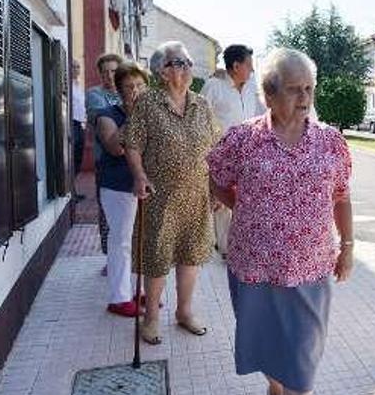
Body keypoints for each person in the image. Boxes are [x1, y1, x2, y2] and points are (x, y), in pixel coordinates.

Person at [207, 48, 353, 395]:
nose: (304, 98)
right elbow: (217, 180)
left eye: (309, 88)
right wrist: (248, 207)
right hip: (254, 263)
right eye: (293, 89)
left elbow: (341, 195)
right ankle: (274, 388)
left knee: (305, 350)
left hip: (312, 264)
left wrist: (348, 248)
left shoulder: (330, 142)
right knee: (267, 341)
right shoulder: (242, 139)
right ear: (269, 95)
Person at [123, 41, 221, 344]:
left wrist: (216, 187)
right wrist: (139, 175)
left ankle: (184, 312)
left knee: (191, 257)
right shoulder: (147, 102)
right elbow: (133, 144)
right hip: (160, 196)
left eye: (188, 62)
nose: (187, 67)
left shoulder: (201, 104)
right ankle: (151, 318)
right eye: (179, 62)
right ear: (162, 72)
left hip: (196, 195)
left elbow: (215, 148)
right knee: (156, 258)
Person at [200, 44, 266, 257]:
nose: (252, 70)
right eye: (249, 65)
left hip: (247, 153)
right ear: (236, 66)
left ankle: (234, 245)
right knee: (222, 203)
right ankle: (228, 249)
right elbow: (199, 120)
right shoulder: (213, 86)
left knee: (243, 199)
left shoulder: (250, 88)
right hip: (220, 154)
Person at [95, 61, 149, 317]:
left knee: (141, 241)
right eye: (129, 86)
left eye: (140, 85)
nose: (136, 90)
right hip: (118, 187)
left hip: (146, 187)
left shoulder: (152, 114)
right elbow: (115, 147)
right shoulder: (108, 115)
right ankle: (119, 298)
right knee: (121, 241)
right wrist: (135, 117)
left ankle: (138, 291)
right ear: (119, 91)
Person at [86, 53, 123, 260]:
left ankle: (129, 258)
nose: (110, 76)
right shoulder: (94, 94)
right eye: (105, 72)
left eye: (114, 71)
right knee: (107, 212)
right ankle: (110, 257)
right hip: (106, 161)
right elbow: (103, 118)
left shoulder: (130, 91)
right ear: (100, 74)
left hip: (132, 161)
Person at [71, 60, 86, 201]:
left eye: (78, 67)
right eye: (73, 67)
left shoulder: (78, 86)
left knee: (78, 158)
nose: (76, 69)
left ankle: (73, 190)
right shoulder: (68, 86)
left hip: (81, 125)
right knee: (72, 158)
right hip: (71, 124)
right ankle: (71, 192)